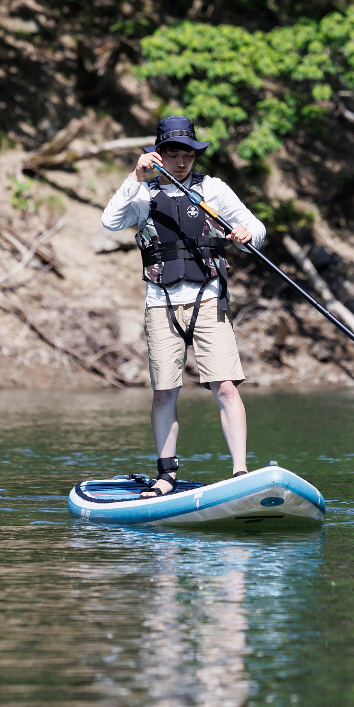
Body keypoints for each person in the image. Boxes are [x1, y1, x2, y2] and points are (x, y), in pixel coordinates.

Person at [101, 115, 267, 497]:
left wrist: (246, 234)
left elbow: (255, 229)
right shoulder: (141, 194)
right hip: (161, 304)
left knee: (225, 386)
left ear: (195, 156)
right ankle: (166, 475)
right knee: (165, 391)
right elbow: (110, 222)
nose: (180, 162)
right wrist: (134, 177)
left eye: (187, 155)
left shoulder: (212, 190)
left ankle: (240, 472)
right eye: (172, 154)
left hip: (208, 299)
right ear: (157, 155)